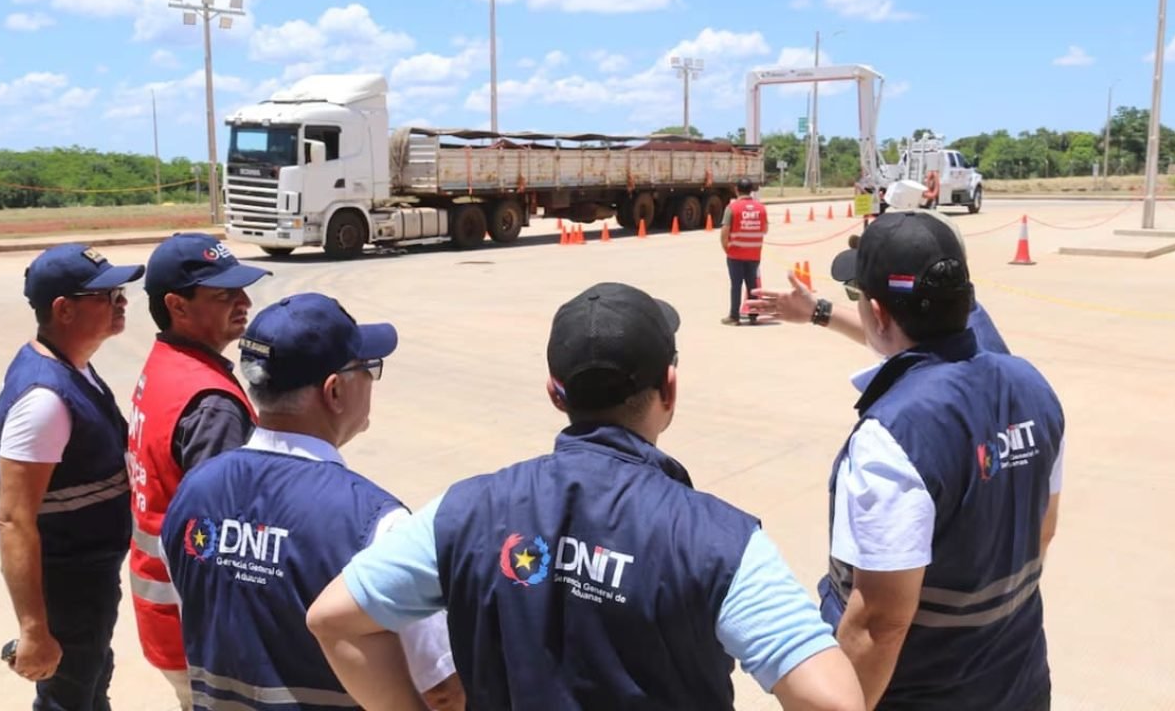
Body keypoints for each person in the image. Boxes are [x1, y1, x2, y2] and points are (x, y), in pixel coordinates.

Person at [306, 281, 865, 711]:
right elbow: (836, 700)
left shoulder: (466, 510)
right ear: (669, 387)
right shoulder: (720, 542)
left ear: (555, 393)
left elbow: (334, 618)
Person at [159, 292, 462, 711]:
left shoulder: (192, 494)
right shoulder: (374, 523)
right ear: (333, 391)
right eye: (368, 369)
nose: (372, 382)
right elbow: (441, 688)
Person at [816, 211, 1065, 710]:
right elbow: (1042, 531)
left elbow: (880, 622)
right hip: (1017, 680)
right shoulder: (1032, 387)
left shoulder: (897, 433)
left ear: (879, 314)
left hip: (923, 692)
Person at [0, 243, 145, 710]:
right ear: (64, 310)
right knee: (68, 697)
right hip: (67, 584)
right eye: (106, 294)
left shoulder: (73, 366)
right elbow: (14, 522)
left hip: (90, 577)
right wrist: (35, 630)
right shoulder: (44, 400)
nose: (121, 302)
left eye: (120, 291)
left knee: (90, 681)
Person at [126, 232, 270, 707]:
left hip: (166, 611)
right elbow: (226, 544)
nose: (244, 302)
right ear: (177, 305)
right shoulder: (211, 405)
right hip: (197, 626)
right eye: (224, 295)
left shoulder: (167, 363)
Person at [747, 207, 1010, 356]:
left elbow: (888, 334)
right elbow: (891, 335)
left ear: (880, 315)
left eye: (858, 291)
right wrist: (818, 311)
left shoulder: (905, 421)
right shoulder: (961, 330)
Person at [721, 177, 768, 326]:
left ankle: (734, 317)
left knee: (736, 285)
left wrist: (727, 249)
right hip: (754, 254)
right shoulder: (761, 208)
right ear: (751, 190)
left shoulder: (732, 208)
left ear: (736, 190)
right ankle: (753, 315)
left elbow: (724, 233)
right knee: (752, 285)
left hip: (735, 253)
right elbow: (765, 229)